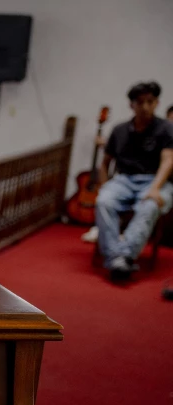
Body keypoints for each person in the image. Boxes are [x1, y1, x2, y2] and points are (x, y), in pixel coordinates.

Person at [94, 81, 173, 280]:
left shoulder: (166, 128)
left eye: (150, 101)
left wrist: (155, 188)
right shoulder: (120, 130)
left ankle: (122, 257)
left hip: (154, 180)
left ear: (157, 103)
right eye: (140, 102)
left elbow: (168, 161)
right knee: (104, 201)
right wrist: (104, 186)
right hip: (124, 180)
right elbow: (104, 163)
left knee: (150, 205)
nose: (145, 106)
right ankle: (118, 259)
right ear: (132, 105)